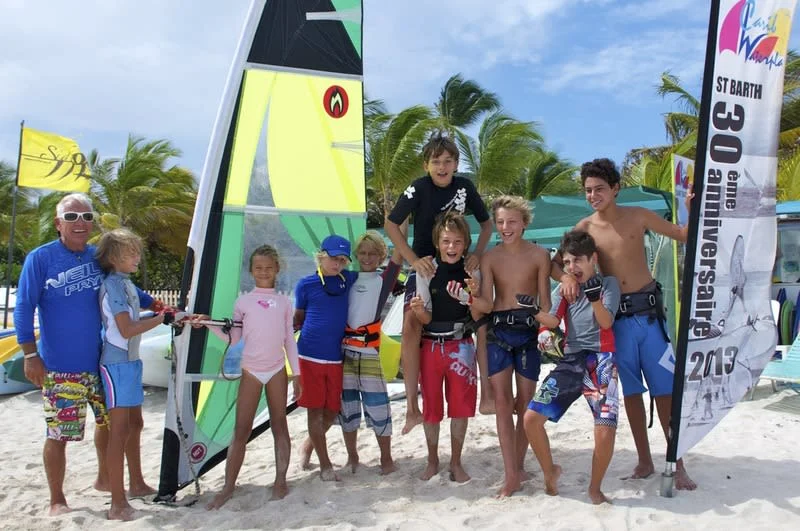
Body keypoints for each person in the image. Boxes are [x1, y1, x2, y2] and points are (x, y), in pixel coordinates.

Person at [553, 158, 697, 490]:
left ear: (616, 188)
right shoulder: (584, 227)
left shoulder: (639, 216)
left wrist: (690, 209)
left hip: (649, 318)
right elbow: (557, 264)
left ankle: (677, 463)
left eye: (599, 189)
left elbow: (683, 235)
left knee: (665, 391)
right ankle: (644, 461)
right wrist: (566, 277)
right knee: (631, 393)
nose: (593, 195)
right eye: (588, 190)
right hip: (615, 322)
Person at [14, 193, 158, 516]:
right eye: (71, 217)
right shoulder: (41, 259)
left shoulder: (99, 256)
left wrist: (157, 305)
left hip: (101, 363)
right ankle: (57, 499)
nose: (80, 223)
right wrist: (29, 354)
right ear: (58, 223)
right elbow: (24, 306)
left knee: (110, 424)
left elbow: (127, 288)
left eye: (87, 217)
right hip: (60, 368)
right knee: (59, 434)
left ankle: (107, 480)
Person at [385, 132, 494, 434]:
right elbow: (391, 224)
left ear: (456, 164)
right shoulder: (418, 187)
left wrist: (476, 254)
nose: (442, 167)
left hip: (458, 265)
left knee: (482, 320)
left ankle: (487, 395)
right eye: (436, 162)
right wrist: (412, 260)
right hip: (426, 267)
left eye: (448, 161)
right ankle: (412, 408)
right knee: (411, 323)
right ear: (427, 165)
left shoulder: (465, 186)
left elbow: (487, 225)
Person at [454, 195, 551, 497]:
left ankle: (519, 467)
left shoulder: (540, 255)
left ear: (524, 223)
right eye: (500, 222)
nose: (505, 227)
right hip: (499, 332)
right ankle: (510, 474)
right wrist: (470, 296)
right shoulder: (490, 258)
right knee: (502, 404)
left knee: (526, 403)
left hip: (528, 333)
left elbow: (546, 302)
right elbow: (485, 304)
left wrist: (546, 327)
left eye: (511, 222)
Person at [194, 244, 301, 508]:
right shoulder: (243, 302)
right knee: (241, 430)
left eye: (268, 267)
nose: (263, 272)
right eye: (258, 268)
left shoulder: (284, 303)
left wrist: (296, 374)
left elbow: (289, 340)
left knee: (279, 425)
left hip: (277, 370)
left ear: (277, 269)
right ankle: (228, 486)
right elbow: (234, 338)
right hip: (251, 370)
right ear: (251, 271)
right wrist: (208, 322)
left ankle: (280, 480)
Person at [524, 230, 621, 504]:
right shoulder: (565, 289)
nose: (571, 267)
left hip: (601, 359)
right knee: (531, 420)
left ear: (593, 259)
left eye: (577, 260)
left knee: (605, 428)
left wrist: (594, 298)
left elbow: (606, 323)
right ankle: (550, 471)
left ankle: (595, 488)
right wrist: (533, 311)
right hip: (570, 360)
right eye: (566, 262)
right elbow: (553, 322)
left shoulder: (608, 284)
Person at [95, 228, 175, 520]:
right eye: (132, 253)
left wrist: (161, 314)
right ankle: (117, 502)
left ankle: (137, 483)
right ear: (115, 257)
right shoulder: (113, 286)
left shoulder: (126, 284)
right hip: (117, 365)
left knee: (135, 423)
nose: (138, 257)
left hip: (130, 362)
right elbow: (126, 329)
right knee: (118, 432)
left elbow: (133, 319)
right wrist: (161, 319)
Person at [410, 211, 479, 483]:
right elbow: (426, 318)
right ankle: (432, 460)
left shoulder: (472, 269)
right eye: (446, 241)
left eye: (458, 241)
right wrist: (418, 311)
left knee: (461, 408)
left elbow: (479, 312)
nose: (452, 247)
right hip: (430, 347)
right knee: (431, 408)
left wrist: (473, 293)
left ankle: (456, 461)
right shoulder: (426, 270)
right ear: (437, 243)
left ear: (465, 243)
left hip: (462, 346)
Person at [338, 231, 402, 475]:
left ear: (381, 256)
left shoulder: (384, 280)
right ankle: (352, 457)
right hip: (345, 353)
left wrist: (398, 219)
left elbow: (399, 250)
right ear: (355, 255)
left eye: (373, 254)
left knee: (378, 406)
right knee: (348, 407)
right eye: (363, 253)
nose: (367, 258)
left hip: (369, 353)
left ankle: (386, 458)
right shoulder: (347, 279)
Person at [295, 235, 358, 481]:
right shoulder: (305, 284)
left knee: (332, 411)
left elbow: (378, 275)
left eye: (342, 260)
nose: (337, 263)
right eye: (333, 258)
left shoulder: (348, 279)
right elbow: (298, 318)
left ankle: (308, 445)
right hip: (308, 355)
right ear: (321, 256)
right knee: (314, 411)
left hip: (335, 358)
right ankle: (325, 466)